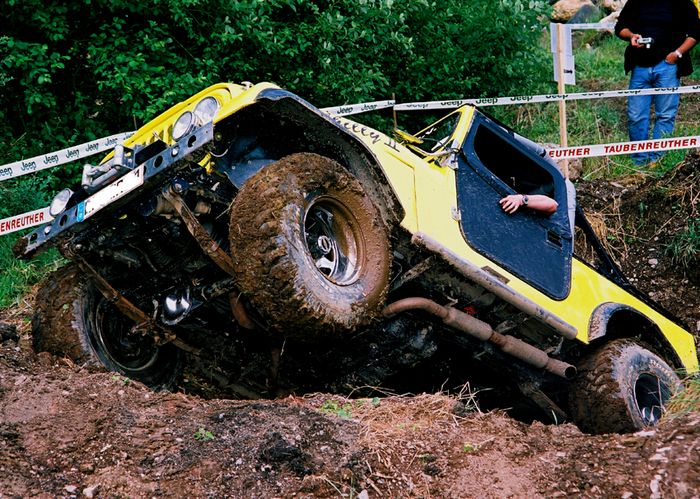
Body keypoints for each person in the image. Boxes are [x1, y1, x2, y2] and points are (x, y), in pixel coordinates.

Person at [615, 0, 700, 166]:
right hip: (639, 66)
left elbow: (696, 32)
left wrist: (677, 53)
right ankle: (639, 161)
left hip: (668, 66)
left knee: (665, 115)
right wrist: (631, 36)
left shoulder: (682, 3)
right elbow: (620, 28)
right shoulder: (635, 2)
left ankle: (657, 159)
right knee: (636, 116)